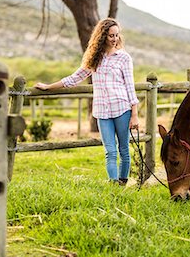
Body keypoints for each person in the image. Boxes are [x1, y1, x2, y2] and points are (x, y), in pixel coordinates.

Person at [35, 18, 139, 186]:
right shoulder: (94, 59)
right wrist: (48, 87)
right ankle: (114, 187)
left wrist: (134, 115)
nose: (114, 39)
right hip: (102, 111)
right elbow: (74, 78)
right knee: (110, 152)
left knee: (124, 150)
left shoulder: (124, 58)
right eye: (111, 35)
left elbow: (130, 86)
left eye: (117, 35)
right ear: (102, 36)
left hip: (122, 109)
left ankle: (123, 182)